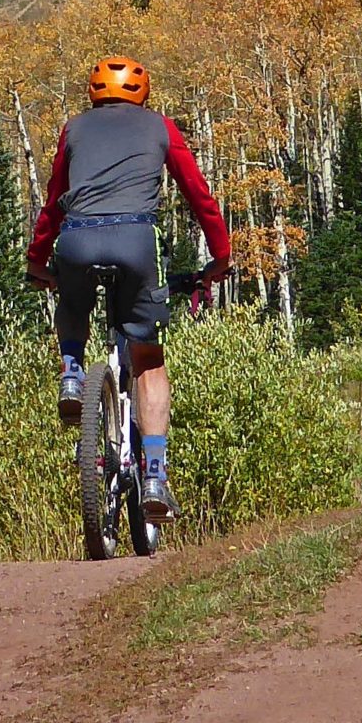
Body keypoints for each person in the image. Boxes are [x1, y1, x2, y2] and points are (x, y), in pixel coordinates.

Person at [25, 55, 231, 522]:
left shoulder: (73, 129)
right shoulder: (161, 128)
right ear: (144, 92)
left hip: (76, 239)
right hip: (138, 241)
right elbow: (199, 195)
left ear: (93, 92)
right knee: (147, 359)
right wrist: (219, 257)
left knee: (72, 297)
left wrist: (38, 260)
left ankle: (73, 373)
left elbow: (54, 201)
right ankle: (155, 475)